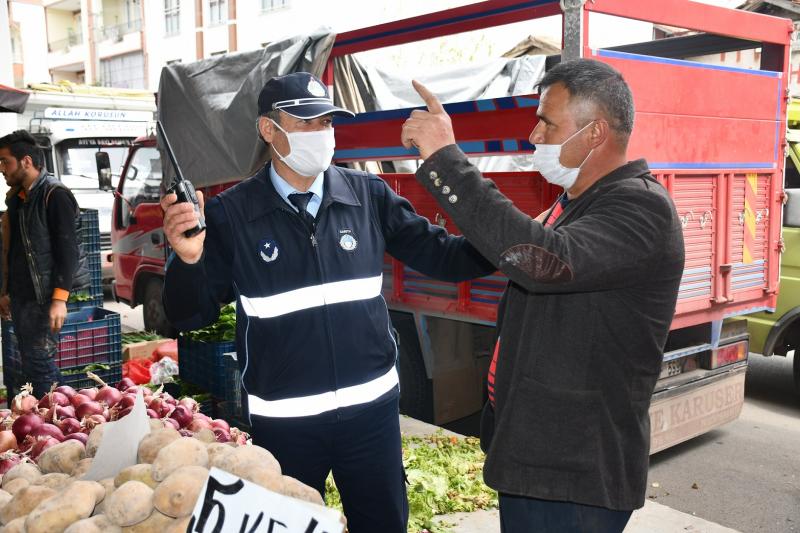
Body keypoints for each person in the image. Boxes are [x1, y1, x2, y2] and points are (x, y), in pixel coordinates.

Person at [160, 71, 495, 531]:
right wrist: (188, 260)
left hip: (371, 418)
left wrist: (508, 238)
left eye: (327, 123)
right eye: (306, 122)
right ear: (268, 131)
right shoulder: (232, 215)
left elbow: (446, 256)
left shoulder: (368, 196)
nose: (321, 134)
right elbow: (187, 313)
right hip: (286, 426)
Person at [400, 59, 685, 532]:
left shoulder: (641, 208)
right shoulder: (576, 202)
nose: (534, 135)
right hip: (540, 462)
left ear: (594, 133)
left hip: (575, 478)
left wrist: (445, 158)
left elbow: (542, 260)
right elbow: (506, 252)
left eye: (547, 122)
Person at [0, 130, 91, 398]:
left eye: (5, 162)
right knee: (31, 360)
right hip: (22, 295)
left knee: (39, 363)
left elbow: (68, 251)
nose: (1, 169)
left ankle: (61, 413)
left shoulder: (55, 195)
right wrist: (4, 291)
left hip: (45, 295)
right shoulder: (17, 200)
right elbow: (11, 250)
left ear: (26, 161)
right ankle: (56, 411)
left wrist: (59, 299)